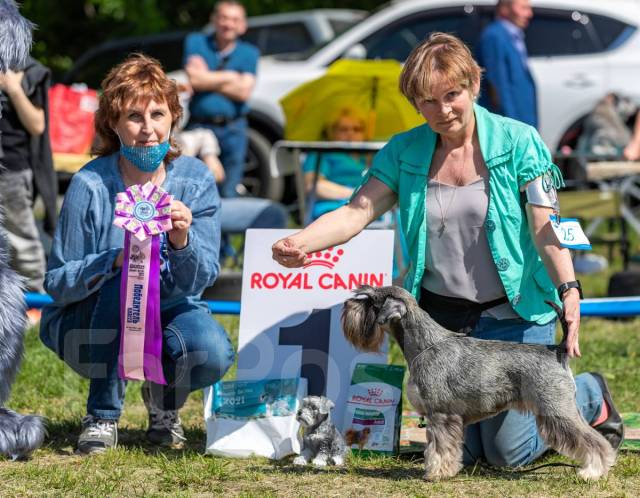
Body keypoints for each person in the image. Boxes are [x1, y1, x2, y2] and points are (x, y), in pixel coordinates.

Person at [272, 33, 624, 468]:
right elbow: (355, 212)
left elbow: (546, 225)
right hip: (441, 321)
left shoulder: (519, 142)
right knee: (468, 443)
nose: (443, 111)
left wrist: (569, 289)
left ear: (474, 85)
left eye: (451, 95)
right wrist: (300, 242)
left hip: (511, 315)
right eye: (427, 101)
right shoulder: (404, 151)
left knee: (505, 453)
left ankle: (587, 392)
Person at [39, 54, 235, 455]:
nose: (148, 130)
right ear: (113, 123)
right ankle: (102, 415)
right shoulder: (90, 182)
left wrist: (182, 241)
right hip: (88, 324)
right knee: (124, 281)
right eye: (134, 117)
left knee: (211, 350)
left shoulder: (195, 179)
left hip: (171, 310)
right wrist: (113, 262)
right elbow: (57, 282)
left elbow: (201, 279)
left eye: (158, 114)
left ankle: (164, 406)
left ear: (173, 118)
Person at [183, 0, 259, 198]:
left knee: (229, 189)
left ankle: (225, 230)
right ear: (214, 20)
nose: (228, 24)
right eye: (224, 18)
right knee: (195, 189)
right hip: (199, 127)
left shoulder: (249, 52)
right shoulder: (196, 42)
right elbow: (195, 79)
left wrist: (207, 77)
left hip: (233, 130)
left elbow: (243, 92)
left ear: (242, 25)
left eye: (235, 19)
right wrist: (232, 77)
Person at [0, 56, 56, 293]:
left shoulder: (25, 70)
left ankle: (36, 299)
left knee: (21, 241)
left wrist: (14, 89)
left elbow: (37, 125)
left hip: (10, 170)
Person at [476, 0, 537, 128]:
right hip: (509, 122)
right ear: (504, 9)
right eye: (523, 8)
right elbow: (497, 84)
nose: (530, 14)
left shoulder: (513, 35)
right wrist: (510, 125)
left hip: (521, 119)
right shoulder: (494, 36)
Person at [302, 107, 370, 220]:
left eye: (357, 129)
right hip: (333, 208)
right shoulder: (323, 152)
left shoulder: (371, 155)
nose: (350, 133)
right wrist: (356, 194)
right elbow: (313, 185)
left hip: (369, 209)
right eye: (343, 129)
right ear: (332, 132)